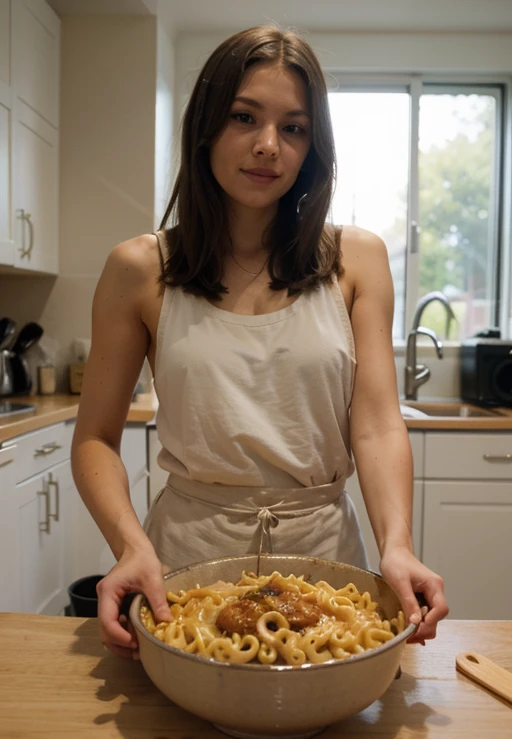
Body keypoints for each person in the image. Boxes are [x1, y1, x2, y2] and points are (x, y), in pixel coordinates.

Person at [71, 24, 448, 660]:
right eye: (244, 117)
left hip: (327, 565)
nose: (268, 146)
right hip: (185, 565)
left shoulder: (356, 260)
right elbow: (94, 439)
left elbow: (379, 425)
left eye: (294, 128)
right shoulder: (139, 268)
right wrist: (131, 546)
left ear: (313, 147)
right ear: (206, 127)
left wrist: (398, 544)